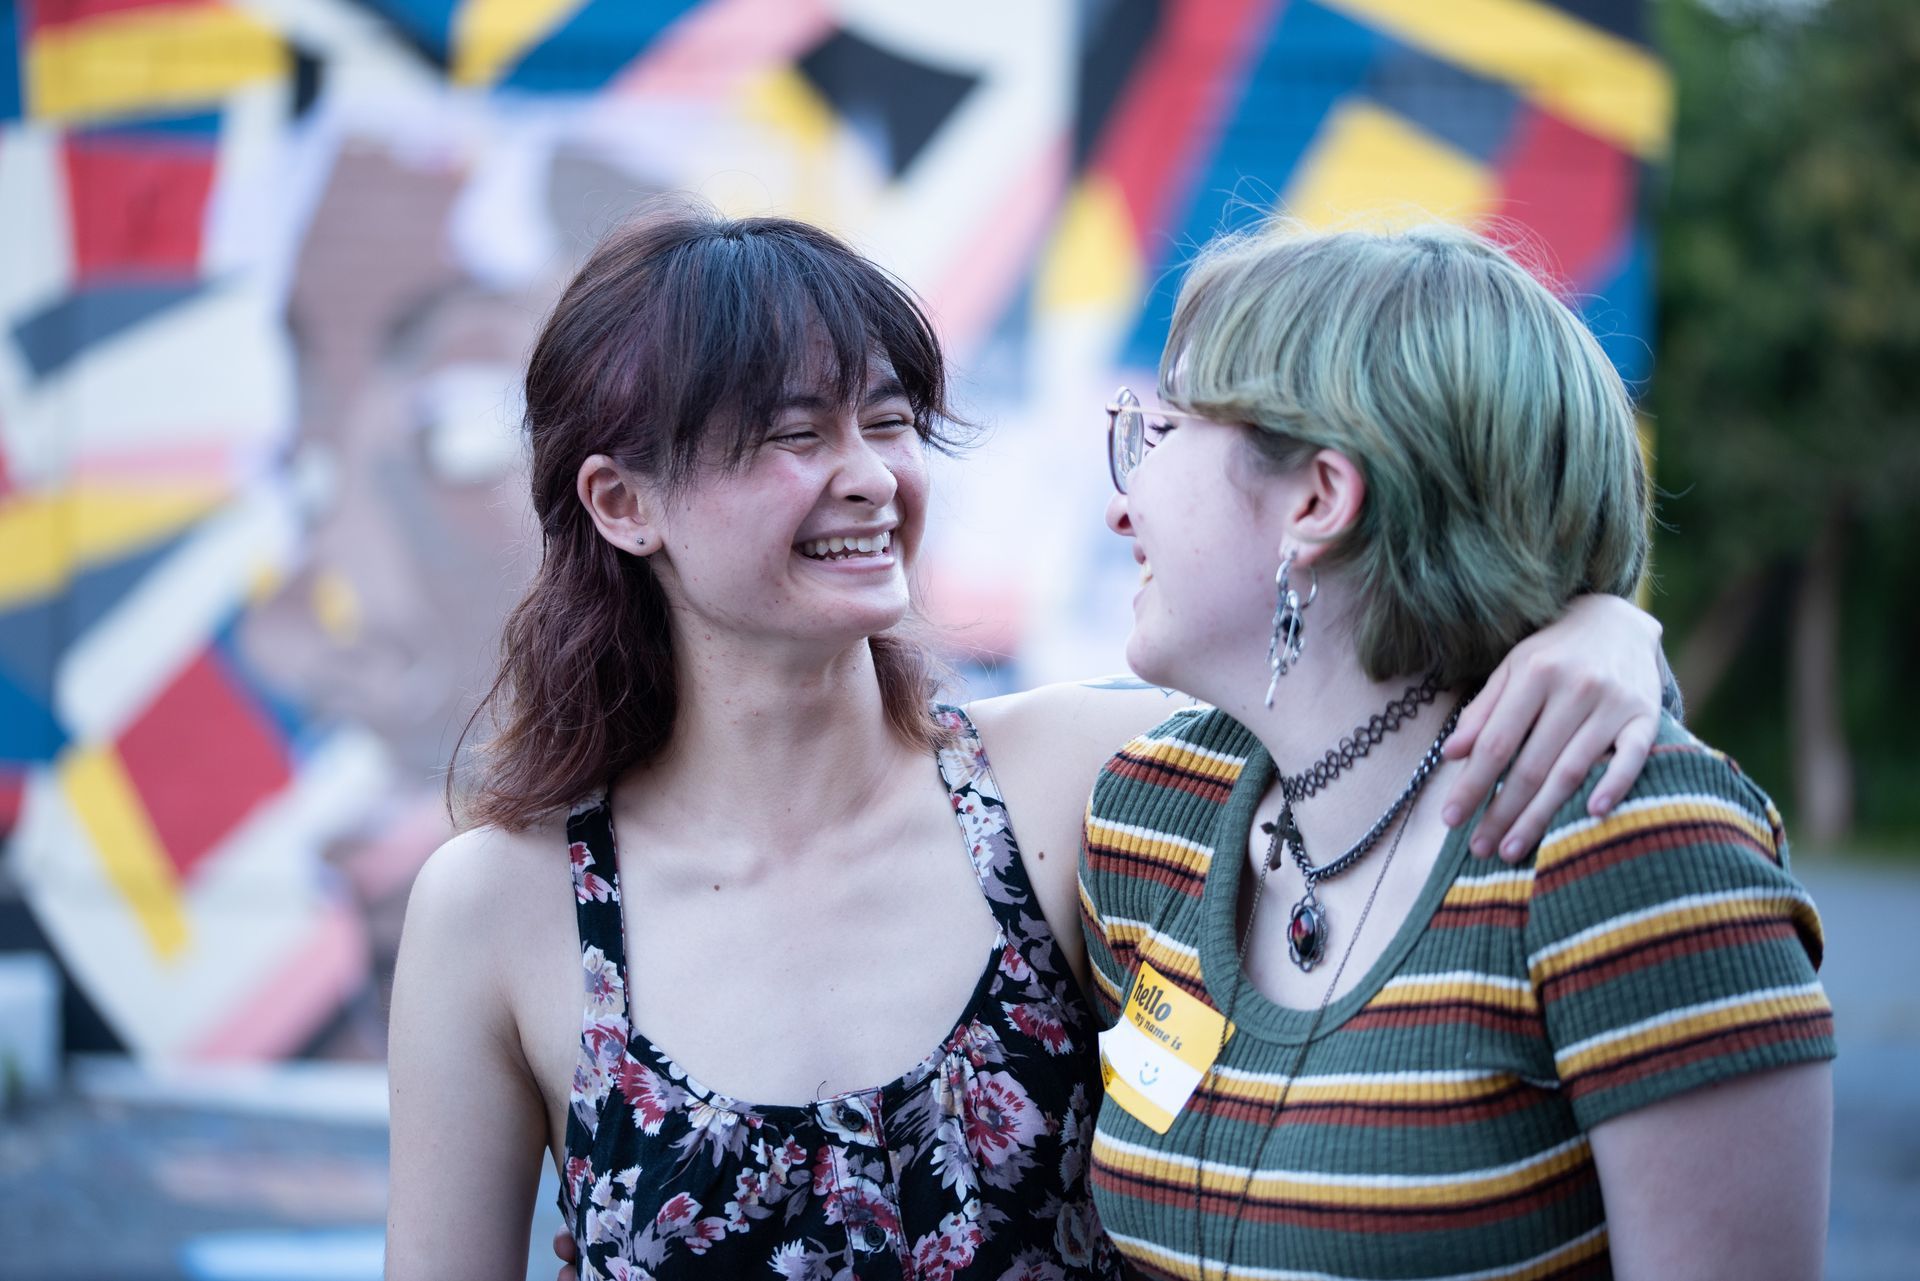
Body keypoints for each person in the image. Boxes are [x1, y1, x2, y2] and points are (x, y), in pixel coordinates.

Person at [384, 201, 1672, 1281]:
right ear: (623, 502)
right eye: (794, 434)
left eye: (887, 423)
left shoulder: (1075, 784)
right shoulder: (501, 909)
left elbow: (1377, 710)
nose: (871, 476)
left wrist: (1600, 627)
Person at [1079, 220, 1834, 1279]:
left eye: (1159, 435)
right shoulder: (1150, 812)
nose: (1123, 504)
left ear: (1317, 500)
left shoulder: (1629, 845)